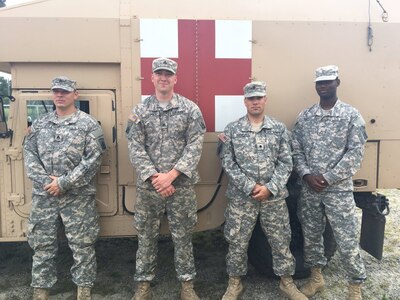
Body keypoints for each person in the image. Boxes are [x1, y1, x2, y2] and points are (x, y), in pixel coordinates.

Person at [218, 81, 307, 300]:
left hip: (273, 198)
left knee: (280, 240)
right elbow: (228, 162)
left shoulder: (278, 129)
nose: (255, 102)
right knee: (237, 242)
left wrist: (271, 188)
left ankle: (287, 283)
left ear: (265, 100)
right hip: (242, 198)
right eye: (251, 98)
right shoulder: (233, 129)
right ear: (245, 101)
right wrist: (250, 186)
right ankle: (235, 284)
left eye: (259, 97)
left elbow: (287, 162)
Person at [126, 57, 206, 300]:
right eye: (159, 73)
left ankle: (187, 285)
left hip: (180, 186)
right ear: (152, 77)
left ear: (175, 79)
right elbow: (135, 146)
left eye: (168, 74)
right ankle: (143, 285)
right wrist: (155, 178)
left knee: (183, 237)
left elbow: (195, 145)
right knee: (146, 236)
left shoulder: (190, 109)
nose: (163, 78)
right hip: (150, 189)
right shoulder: (140, 111)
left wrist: (171, 176)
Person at [23, 76, 106, 300]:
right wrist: (46, 182)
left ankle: (84, 290)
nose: (60, 95)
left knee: (83, 246)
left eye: (65, 92)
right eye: (56, 91)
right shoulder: (40, 124)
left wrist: (63, 183)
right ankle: (41, 290)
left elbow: (94, 159)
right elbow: (29, 155)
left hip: (77, 197)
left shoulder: (88, 124)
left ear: (75, 95)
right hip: (44, 196)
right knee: (42, 245)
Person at [291, 65, 368, 300]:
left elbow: (355, 153)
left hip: (338, 190)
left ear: (337, 82)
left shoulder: (351, 115)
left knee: (347, 239)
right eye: (320, 82)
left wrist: (328, 177)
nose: (323, 85)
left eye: (328, 81)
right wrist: (305, 175)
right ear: (316, 86)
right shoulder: (305, 116)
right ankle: (316, 278)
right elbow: (296, 149)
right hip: (310, 189)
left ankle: (354, 287)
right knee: (312, 236)